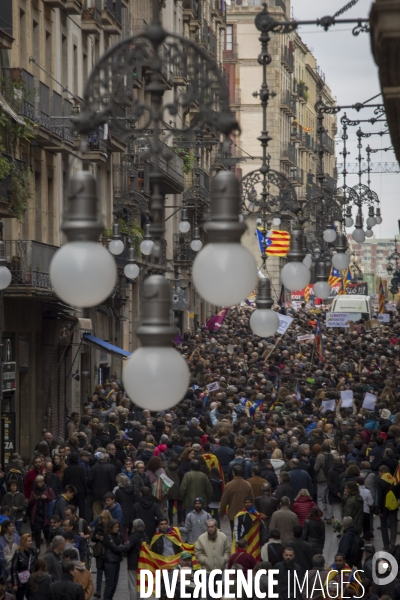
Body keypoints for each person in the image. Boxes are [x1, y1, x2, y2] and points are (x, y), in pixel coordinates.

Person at [219, 465, 254, 530]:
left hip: (233, 514)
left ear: (233, 473)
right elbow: (252, 499)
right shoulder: (247, 484)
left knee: (234, 534)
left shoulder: (229, 485)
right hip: (245, 513)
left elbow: (224, 500)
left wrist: (221, 512)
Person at [120, 518, 148, 600]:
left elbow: (126, 548)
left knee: (133, 585)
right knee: (141, 585)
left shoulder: (133, 537)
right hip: (143, 563)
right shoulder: (145, 536)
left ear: (134, 527)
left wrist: (122, 547)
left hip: (133, 563)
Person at [376, 464, 400, 549]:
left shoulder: (380, 481)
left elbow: (379, 496)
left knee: (384, 526)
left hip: (384, 507)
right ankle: (393, 541)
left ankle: (386, 544)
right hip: (393, 505)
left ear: (382, 472)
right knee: (393, 524)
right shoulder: (395, 480)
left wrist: (378, 510)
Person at [28, 475, 55, 550]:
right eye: (37, 482)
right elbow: (30, 504)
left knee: (47, 533)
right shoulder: (33, 492)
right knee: (37, 533)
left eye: (40, 482)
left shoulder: (49, 490)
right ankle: (37, 548)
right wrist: (34, 499)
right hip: (37, 515)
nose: (38, 484)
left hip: (46, 515)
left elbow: (53, 500)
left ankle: (48, 548)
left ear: (43, 482)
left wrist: (47, 498)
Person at [88, 453, 117, 519]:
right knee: (108, 513)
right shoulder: (111, 467)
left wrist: (93, 488)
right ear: (106, 459)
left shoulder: (93, 467)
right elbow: (113, 481)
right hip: (108, 494)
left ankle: (96, 527)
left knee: (96, 514)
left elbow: (89, 481)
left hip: (95, 494)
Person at [91, 510, 112, 599]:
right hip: (99, 551)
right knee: (99, 571)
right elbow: (93, 539)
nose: (103, 520)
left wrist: (104, 538)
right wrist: (96, 537)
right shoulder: (98, 526)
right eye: (102, 518)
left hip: (108, 551)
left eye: (105, 518)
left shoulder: (112, 527)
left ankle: (107, 591)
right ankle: (98, 590)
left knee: (107, 572)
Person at [10, 534, 37, 600]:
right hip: (21, 581)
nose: (30, 542)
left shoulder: (34, 551)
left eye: (31, 541)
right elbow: (14, 569)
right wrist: (15, 583)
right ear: (23, 542)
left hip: (31, 580)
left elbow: (36, 565)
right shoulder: (18, 553)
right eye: (28, 541)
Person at [62, 453, 87, 521]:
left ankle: (72, 522)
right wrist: (85, 493)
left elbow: (65, 482)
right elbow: (83, 481)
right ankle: (82, 523)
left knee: (71, 509)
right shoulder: (81, 469)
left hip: (70, 492)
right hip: (80, 491)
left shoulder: (67, 469)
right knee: (82, 510)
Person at [102, 519, 123, 600]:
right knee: (110, 584)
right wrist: (120, 547)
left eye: (118, 527)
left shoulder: (117, 536)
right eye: (115, 527)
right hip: (110, 561)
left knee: (114, 584)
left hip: (116, 561)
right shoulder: (108, 536)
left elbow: (120, 546)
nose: (117, 528)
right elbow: (116, 548)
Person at [115, 474, 136, 542]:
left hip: (123, 511)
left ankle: (126, 543)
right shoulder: (132, 490)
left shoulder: (118, 491)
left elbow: (116, 501)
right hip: (131, 510)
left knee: (124, 529)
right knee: (131, 528)